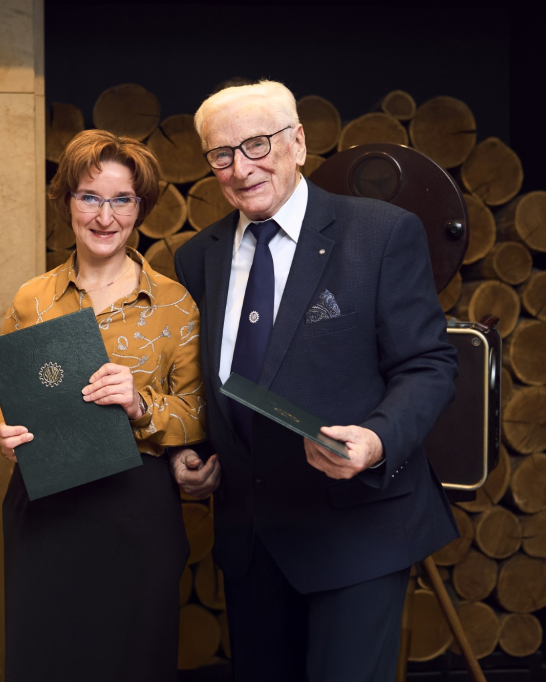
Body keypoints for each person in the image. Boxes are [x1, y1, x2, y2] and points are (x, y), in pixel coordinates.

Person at [169, 80, 459, 682]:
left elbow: (427, 364)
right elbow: (206, 380)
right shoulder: (198, 257)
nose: (240, 169)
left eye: (256, 144)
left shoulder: (381, 234)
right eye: (221, 154)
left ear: (297, 142)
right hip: (252, 540)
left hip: (355, 529)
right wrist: (192, 453)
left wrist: (377, 440)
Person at [0, 129, 206, 682]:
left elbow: (199, 411)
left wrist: (141, 406)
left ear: (140, 208)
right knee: (46, 659)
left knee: (133, 660)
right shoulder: (33, 297)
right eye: (90, 197)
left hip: (136, 507)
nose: (105, 217)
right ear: (67, 203)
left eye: (121, 199)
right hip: (45, 504)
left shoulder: (175, 305)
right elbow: (0, 396)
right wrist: (3, 428)